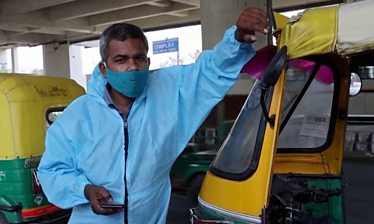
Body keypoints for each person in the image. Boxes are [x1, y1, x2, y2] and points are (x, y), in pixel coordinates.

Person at [37, 7, 268, 224]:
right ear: (104, 68)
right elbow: (51, 171)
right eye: (121, 60)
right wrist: (84, 190)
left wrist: (236, 39)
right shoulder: (77, 117)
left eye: (138, 58)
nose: (132, 67)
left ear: (147, 61)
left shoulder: (168, 92)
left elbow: (210, 71)